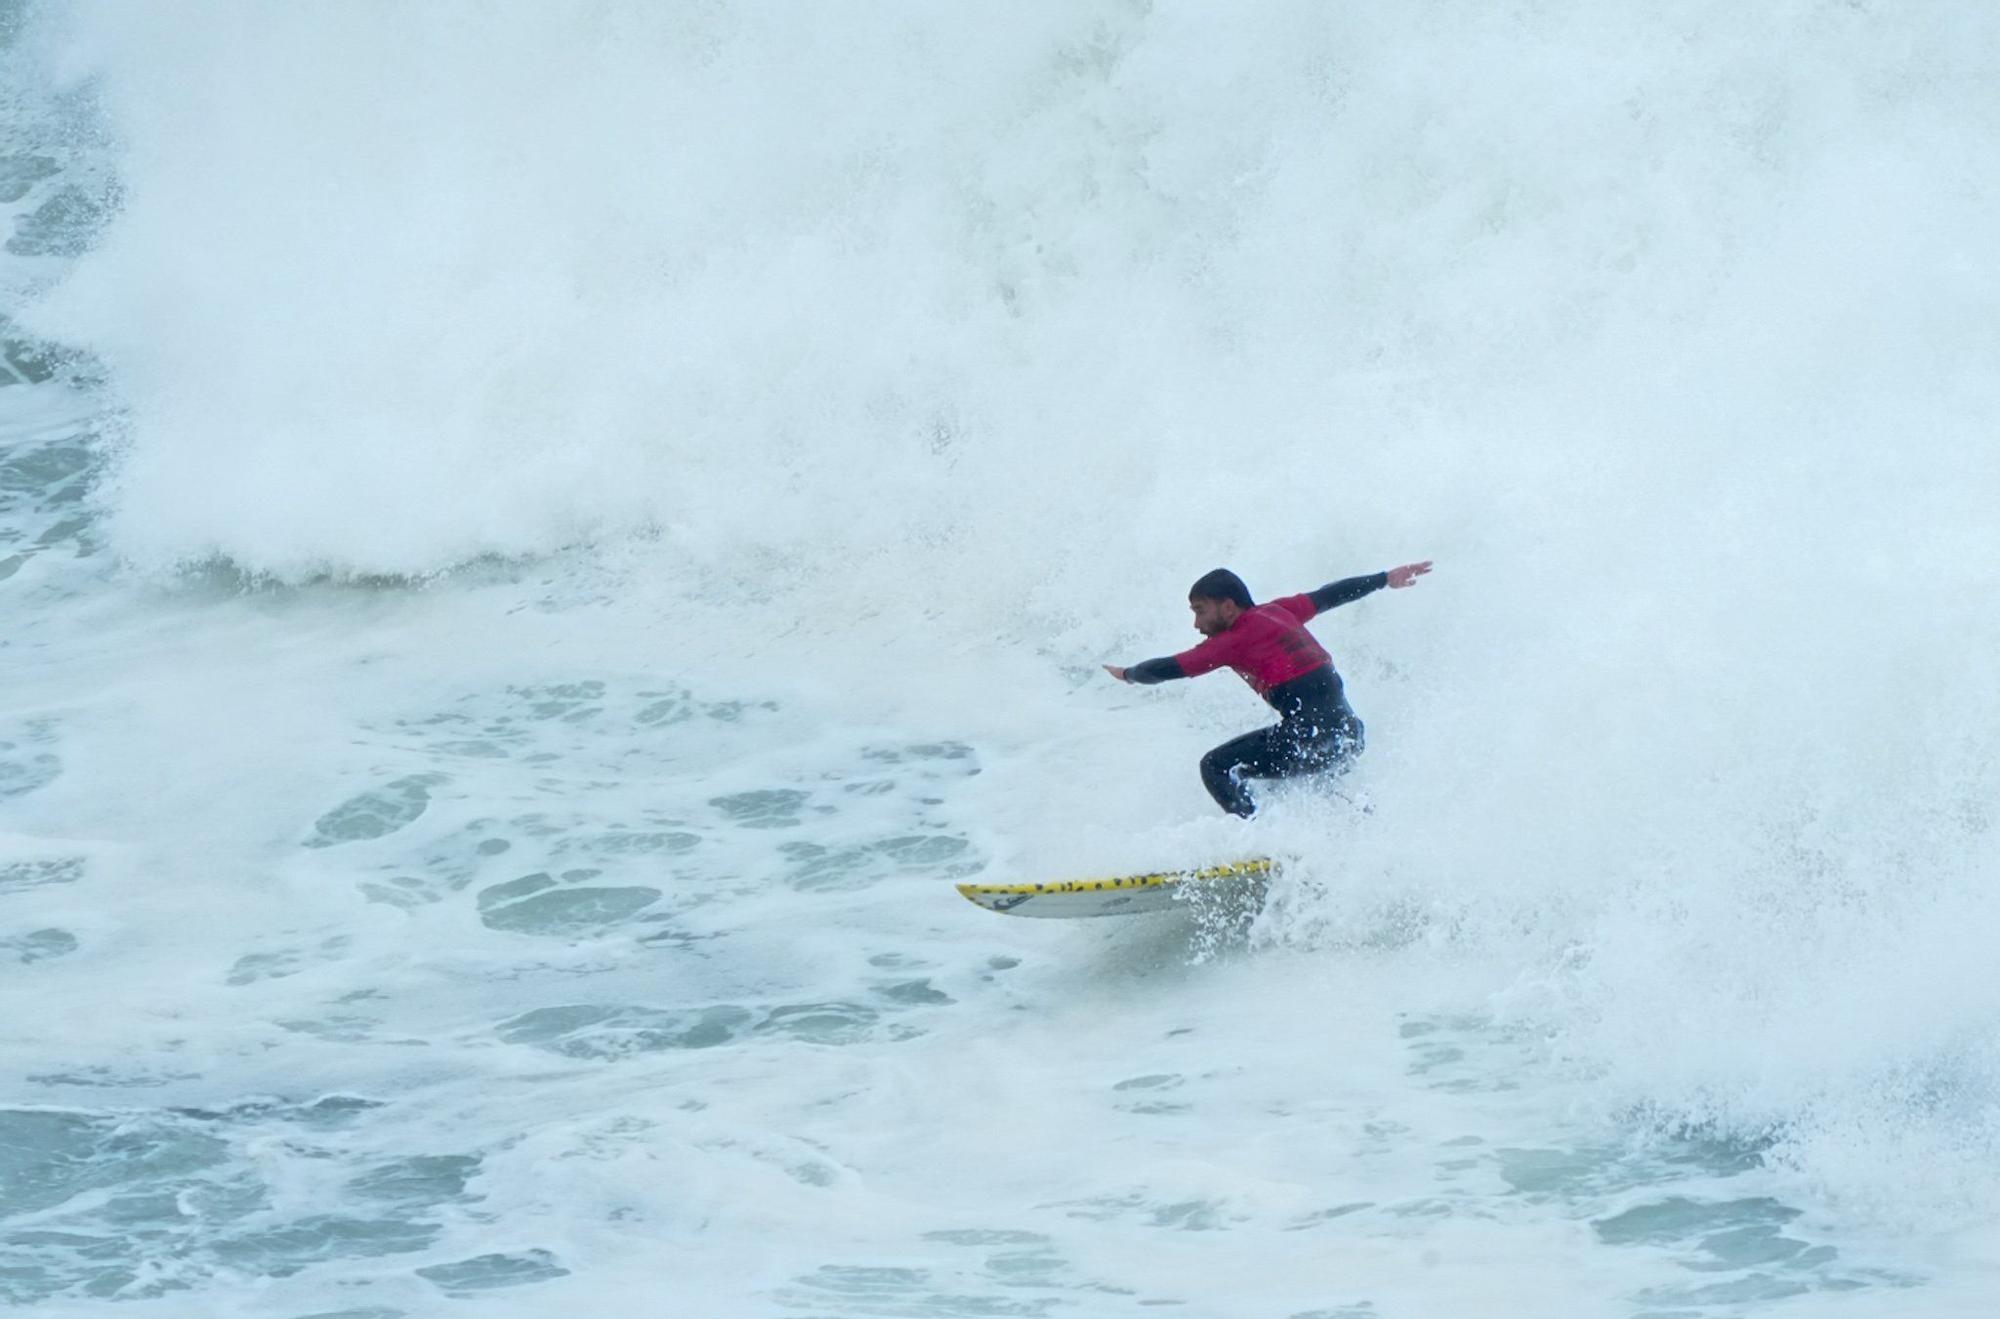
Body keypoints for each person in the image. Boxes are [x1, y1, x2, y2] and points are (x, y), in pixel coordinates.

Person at [1104, 560, 1432, 816]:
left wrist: (1129, 674)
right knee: (1302, 779)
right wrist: (1383, 579)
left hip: (1309, 739)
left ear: (1228, 607)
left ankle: (1256, 839)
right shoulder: (1282, 611)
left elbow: (1168, 668)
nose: (1196, 624)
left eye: (1200, 611)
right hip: (1349, 736)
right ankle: (1349, 830)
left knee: (1217, 767)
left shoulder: (1232, 641)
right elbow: (1329, 595)